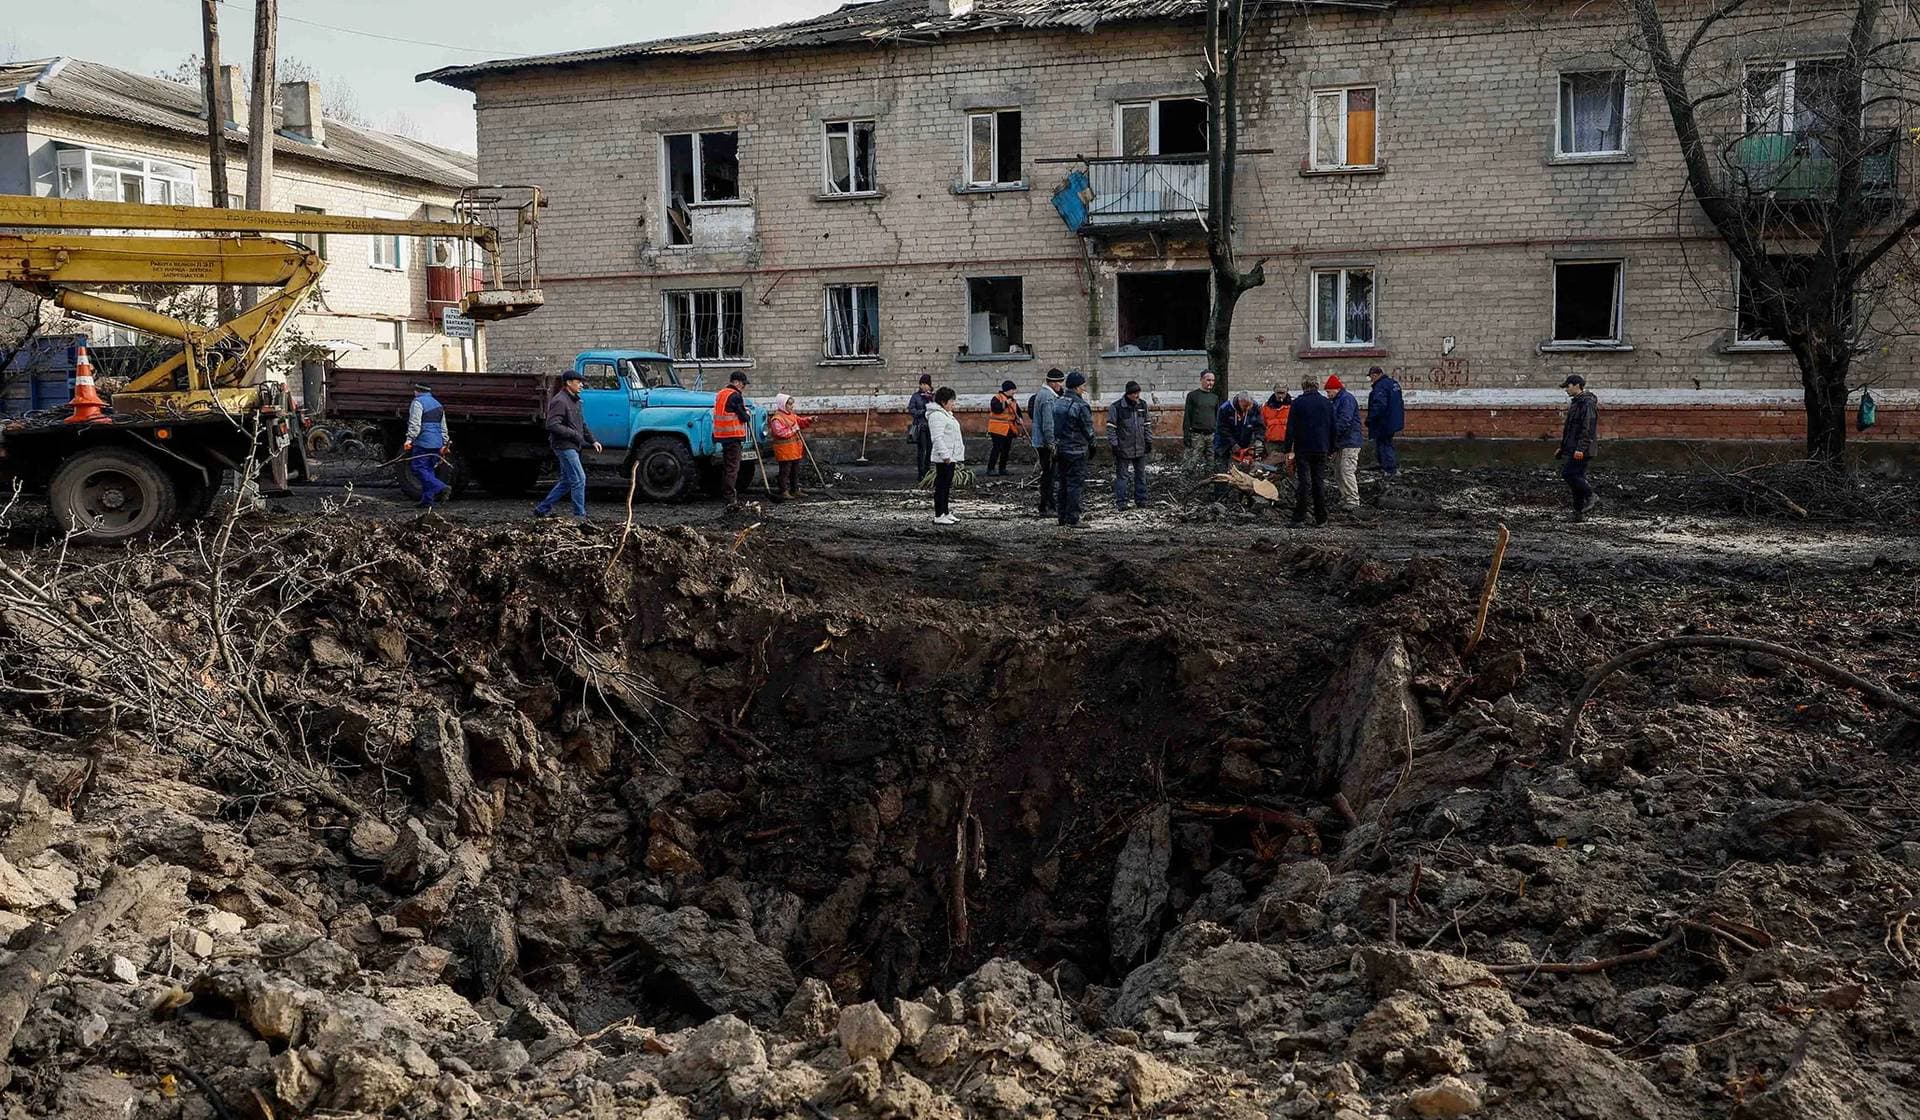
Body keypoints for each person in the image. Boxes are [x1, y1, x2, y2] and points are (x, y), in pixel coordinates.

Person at [533, 370, 602, 521]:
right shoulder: (560, 401)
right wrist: (573, 434)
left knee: (566, 481)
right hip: (564, 446)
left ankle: (541, 509)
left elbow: (581, 423)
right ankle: (580, 516)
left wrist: (592, 440)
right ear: (569, 383)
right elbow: (551, 424)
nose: (581, 385)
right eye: (579, 382)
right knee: (579, 478)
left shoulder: (574, 400)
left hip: (572, 445)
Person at [1284, 374, 1333, 527]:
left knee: (1304, 483)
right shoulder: (1326, 403)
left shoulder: (1298, 403)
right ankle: (1321, 518)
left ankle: (1299, 517)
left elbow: (1290, 427)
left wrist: (1287, 448)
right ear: (1317, 385)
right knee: (1318, 482)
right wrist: (1331, 447)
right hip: (1321, 448)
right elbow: (1333, 426)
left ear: (1303, 385)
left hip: (1303, 448)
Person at [1053, 371, 1095, 527]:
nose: (1084, 388)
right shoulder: (1081, 405)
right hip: (1076, 449)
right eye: (1083, 385)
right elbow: (1088, 429)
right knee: (1074, 484)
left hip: (1060, 449)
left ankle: (1061, 517)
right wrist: (1093, 445)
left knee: (1062, 483)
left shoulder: (1057, 402)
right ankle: (1073, 518)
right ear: (1077, 387)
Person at [401, 381, 451, 509]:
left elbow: (415, 424)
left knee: (417, 468)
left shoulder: (417, 402)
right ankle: (427, 500)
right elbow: (443, 427)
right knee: (428, 470)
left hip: (423, 441)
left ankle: (441, 487)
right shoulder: (438, 404)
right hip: (437, 441)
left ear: (417, 391)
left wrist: (409, 439)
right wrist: (444, 442)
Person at [1557, 374, 1600, 521]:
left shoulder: (1586, 403)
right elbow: (1570, 429)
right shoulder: (1577, 403)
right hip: (1575, 448)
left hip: (1583, 449)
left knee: (1569, 474)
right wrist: (1562, 448)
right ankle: (1578, 514)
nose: (1566, 390)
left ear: (1576, 385)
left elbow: (1588, 428)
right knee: (1577, 480)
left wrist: (1581, 449)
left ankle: (1591, 495)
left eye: (1567, 386)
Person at [1106, 380, 1153, 511]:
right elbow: (1111, 428)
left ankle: (1141, 500)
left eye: (1138, 392)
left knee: (1141, 474)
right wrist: (1114, 445)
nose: (1137, 396)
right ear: (1128, 394)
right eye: (1134, 393)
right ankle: (1121, 502)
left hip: (1140, 447)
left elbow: (1147, 425)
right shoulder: (1116, 407)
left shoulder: (1143, 405)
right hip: (1123, 448)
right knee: (1122, 476)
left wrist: (1148, 441)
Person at [713, 370, 753, 505]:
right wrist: (747, 414)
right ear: (736, 382)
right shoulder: (735, 395)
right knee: (732, 468)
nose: (743, 387)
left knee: (727, 466)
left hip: (722, 435)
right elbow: (743, 416)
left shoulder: (721, 394)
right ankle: (729, 496)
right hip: (733, 436)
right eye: (743, 384)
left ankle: (725, 492)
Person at [1029, 368, 1065, 515]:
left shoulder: (1042, 394)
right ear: (1053, 382)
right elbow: (1048, 424)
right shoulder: (1048, 397)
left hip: (1041, 442)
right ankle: (1047, 506)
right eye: (1059, 382)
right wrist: (1052, 444)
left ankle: (1046, 505)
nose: (1061, 386)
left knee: (1047, 475)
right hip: (1046, 443)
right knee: (1049, 476)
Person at [927, 386, 965, 524]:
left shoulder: (946, 414)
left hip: (950, 456)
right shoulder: (937, 416)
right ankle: (939, 515)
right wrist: (945, 456)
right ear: (943, 402)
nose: (954, 403)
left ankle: (946, 512)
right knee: (941, 486)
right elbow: (937, 438)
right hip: (945, 458)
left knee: (947, 485)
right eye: (952, 401)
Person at [1326, 374, 1364, 509]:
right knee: (1339, 470)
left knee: (1346, 469)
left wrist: (1332, 435)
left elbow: (1344, 421)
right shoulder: (1340, 399)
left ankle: (1353, 499)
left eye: (1328, 391)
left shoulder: (1345, 400)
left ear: (1335, 389)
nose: (1327, 394)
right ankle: (1346, 497)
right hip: (1344, 441)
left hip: (1350, 441)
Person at [768, 393, 814, 500]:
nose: (791, 407)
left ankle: (795, 489)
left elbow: (800, 422)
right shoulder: (777, 419)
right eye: (789, 405)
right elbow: (780, 433)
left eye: (792, 405)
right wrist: (794, 429)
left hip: (794, 449)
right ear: (783, 405)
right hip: (784, 450)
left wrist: (809, 419)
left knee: (795, 470)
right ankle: (783, 490)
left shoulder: (791, 415)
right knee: (785, 471)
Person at [1366, 365, 1406, 482]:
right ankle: (1387, 466)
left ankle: (1390, 470)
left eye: (1371, 377)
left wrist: (1370, 418)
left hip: (1384, 421)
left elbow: (1379, 405)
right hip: (1394, 420)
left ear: (1375, 375)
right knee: (1387, 443)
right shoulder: (1393, 384)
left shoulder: (1380, 386)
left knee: (1384, 444)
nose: (1371, 380)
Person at [1213, 391, 1260, 472]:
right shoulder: (1225, 408)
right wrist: (1233, 443)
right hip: (1223, 443)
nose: (1248, 408)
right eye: (1245, 406)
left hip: (1243, 442)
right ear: (1239, 401)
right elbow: (1222, 429)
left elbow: (1259, 425)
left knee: (1243, 469)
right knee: (1221, 467)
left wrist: (1259, 439)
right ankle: (1220, 483)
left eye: (1250, 406)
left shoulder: (1255, 407)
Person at [986, 379, 1023, 476]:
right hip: (997, 428)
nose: (1014, 392)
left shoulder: (1013, 400)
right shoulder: (997, 398)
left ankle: (1002, 469)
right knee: (997, 448)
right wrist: (1006, 403)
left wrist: (1019, 419)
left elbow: (1017, 411)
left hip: (1009, 428)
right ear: (1008, 390)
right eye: (1013, 390)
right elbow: (996, 409)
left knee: (1006, 449)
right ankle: (991, 469)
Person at [907, 373, 935, 481]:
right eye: (921, 384)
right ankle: (921, 472)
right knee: (921, 450)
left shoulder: (933, 396)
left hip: (931, 426)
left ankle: (927, 471)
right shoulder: (916, 396)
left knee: (929, 449)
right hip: (920, 426)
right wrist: (923, 412)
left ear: (929, 385)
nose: (923, 386)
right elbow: (911, 409)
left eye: (925, 384)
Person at [1183, 370, 1220, 451]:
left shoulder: (1215, 398)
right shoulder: (1192, 396)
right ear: (1201, 380)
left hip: (1211, 436)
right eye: (1208, 380)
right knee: (1192, 461)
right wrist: (1186, 435)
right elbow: (1187, 416)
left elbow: (1217, 417)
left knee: (1212, 461)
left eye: (1213, 380)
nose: (1211, 383)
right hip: (1196, 435)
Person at [1260, 385, 1292, 462]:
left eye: (1282, 393)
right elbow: (1261, 425)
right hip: (1271, 443)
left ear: (1287, 391)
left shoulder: (1293, 406)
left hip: (1288, 443)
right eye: (1278, 393)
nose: (1280, 395)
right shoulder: (1265, 407)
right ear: (1274, 391)